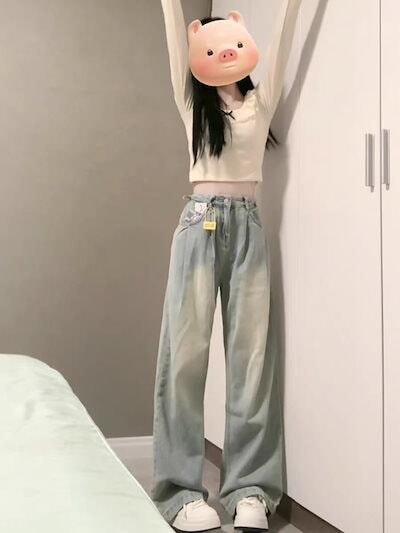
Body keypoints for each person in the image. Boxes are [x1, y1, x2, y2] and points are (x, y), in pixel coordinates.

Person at [151, 1, 302, 531]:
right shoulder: (192, 103)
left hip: (249, 228)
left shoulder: (260, 102)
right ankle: (179, 491)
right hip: (199, 226)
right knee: (185, 358)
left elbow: (283, 42)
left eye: (231, 44)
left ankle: (250, 489)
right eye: (211, 46)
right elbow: (174, 36)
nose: (223, 53)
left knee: (252, 360)